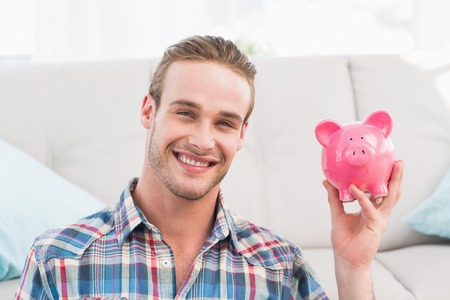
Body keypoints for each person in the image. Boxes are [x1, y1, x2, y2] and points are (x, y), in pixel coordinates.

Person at [15, 35, 404, 299]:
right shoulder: (58, 259)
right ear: (149, 111)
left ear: (241, 135)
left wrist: (353, 269)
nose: (203, 141)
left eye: (224, 123)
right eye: (186, 113)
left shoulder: (280, 267)